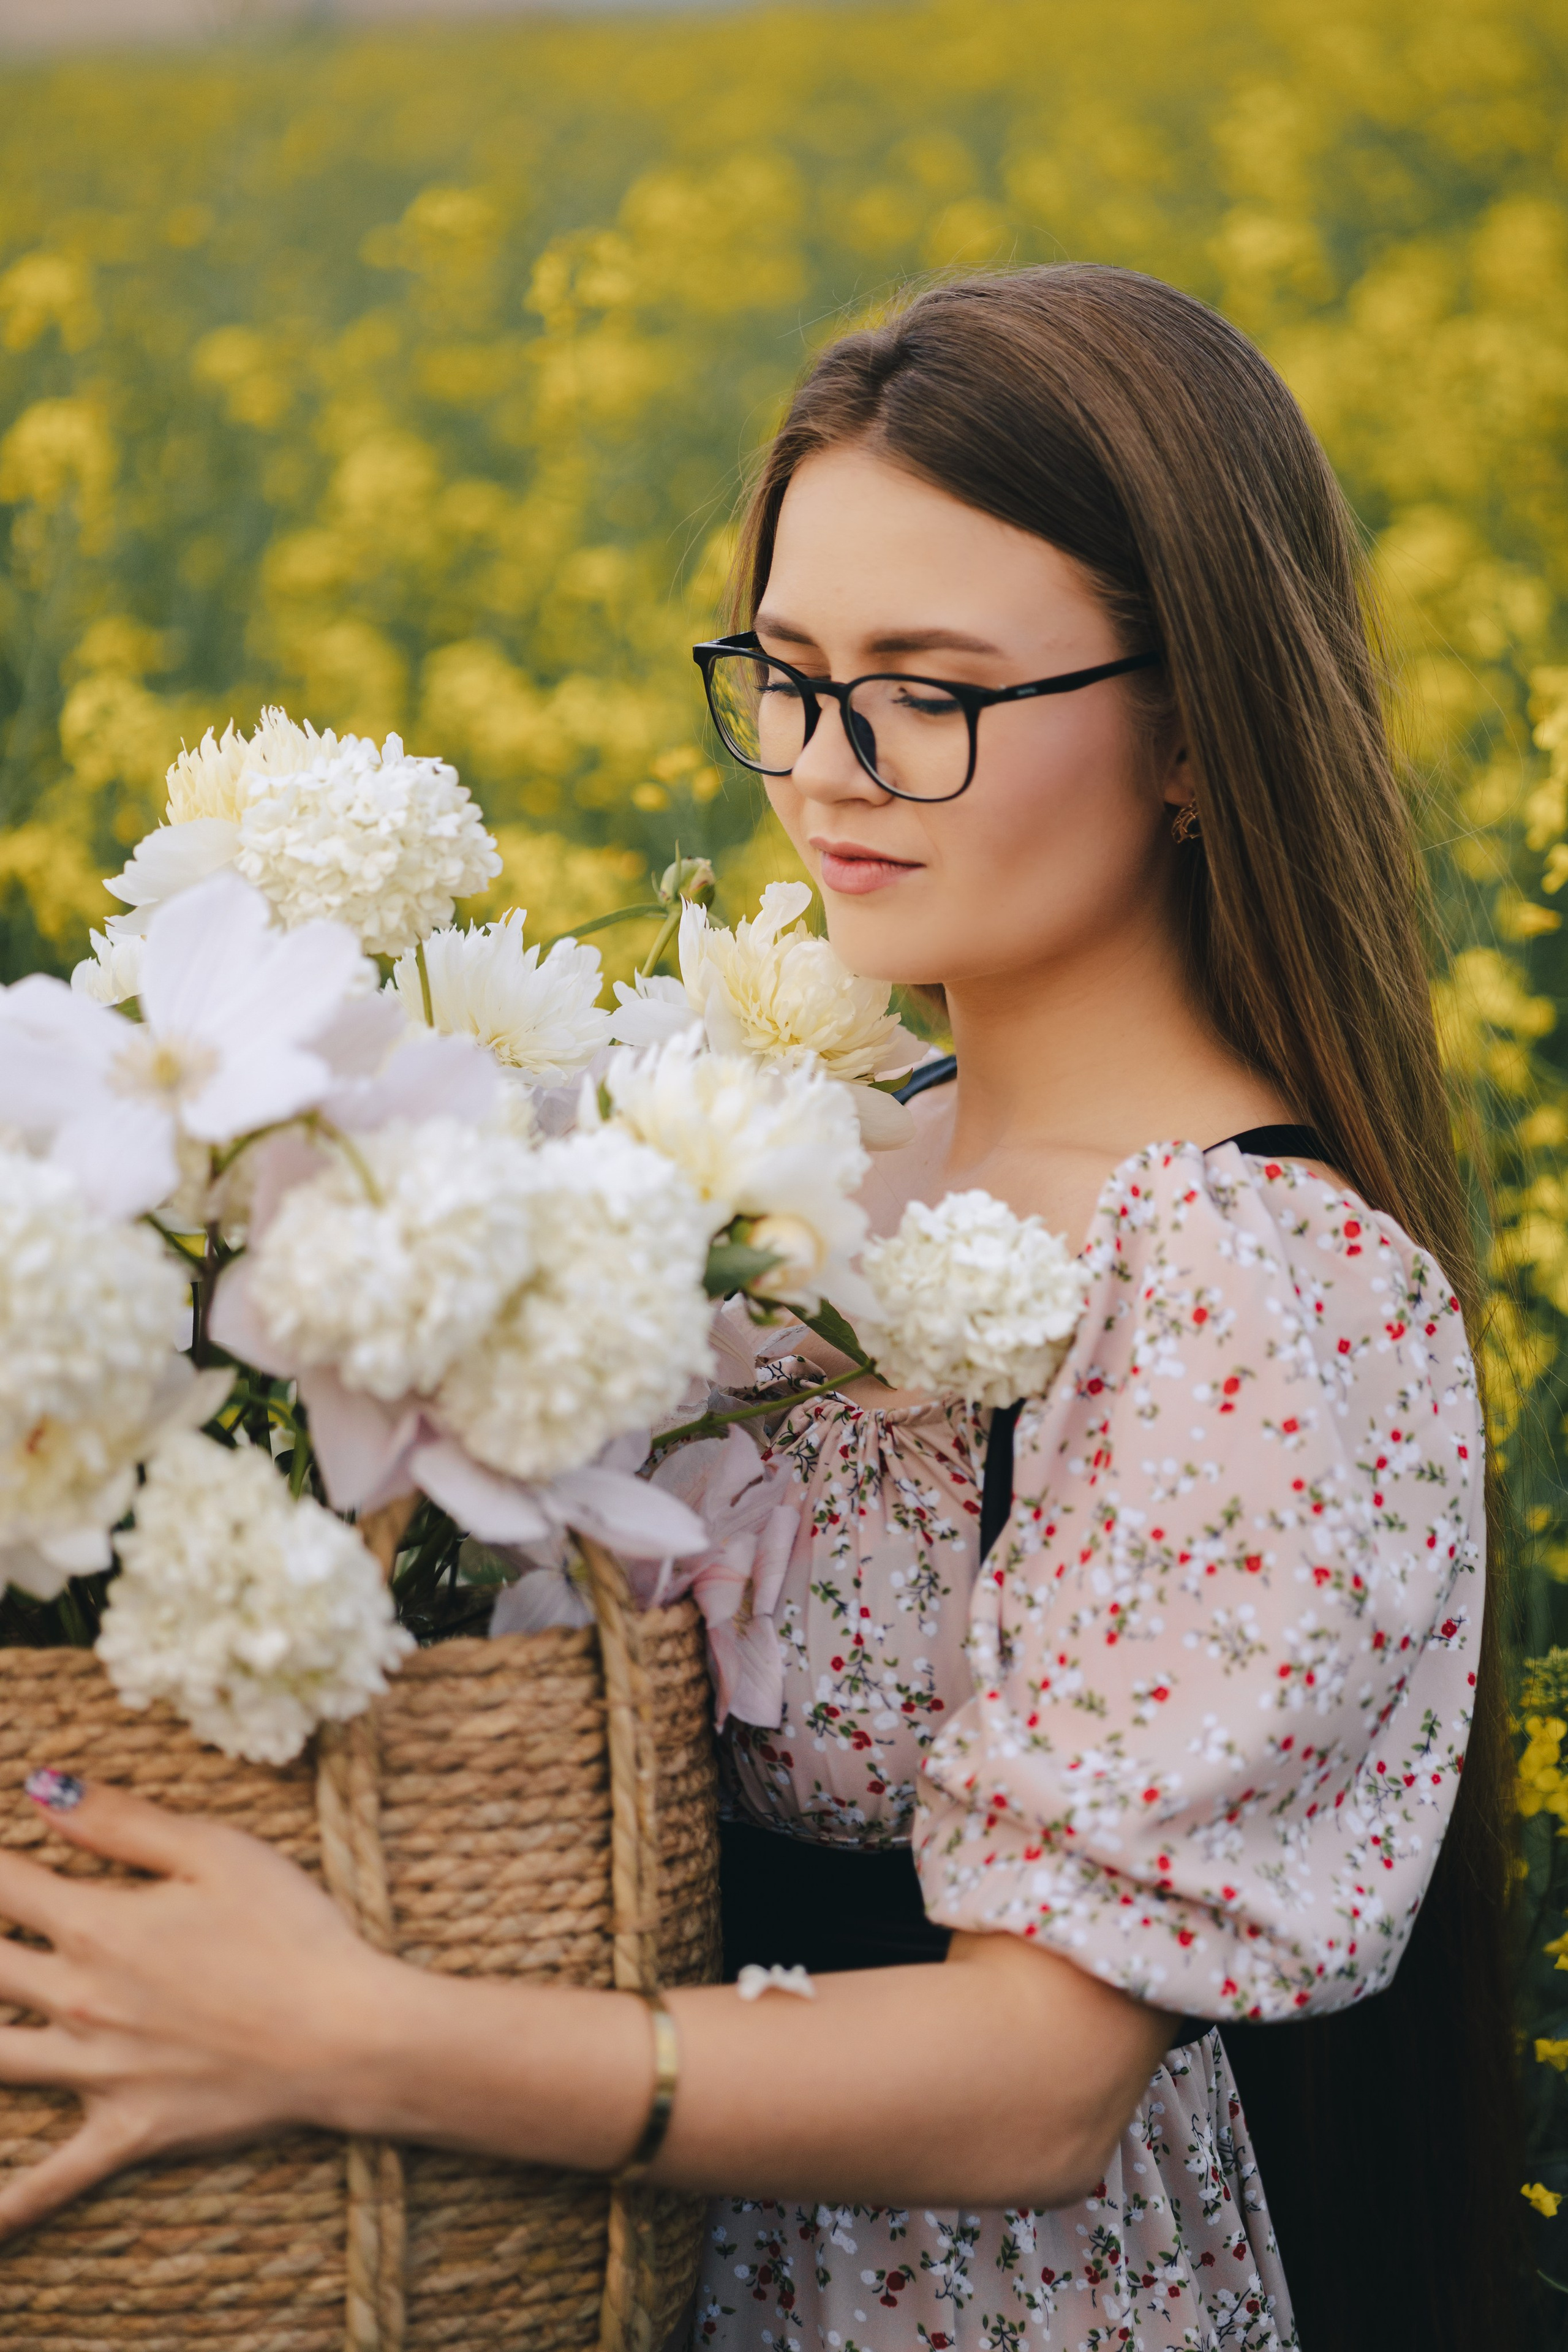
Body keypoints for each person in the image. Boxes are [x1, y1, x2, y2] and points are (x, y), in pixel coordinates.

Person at [0, 266, 1518, 2352]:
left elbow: (1044, 2091)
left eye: (931, 690)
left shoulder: (1258, 1283)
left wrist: (354, 2036)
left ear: (1192, 731)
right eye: (785, 672)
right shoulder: (796, 1160)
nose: (823, 770)